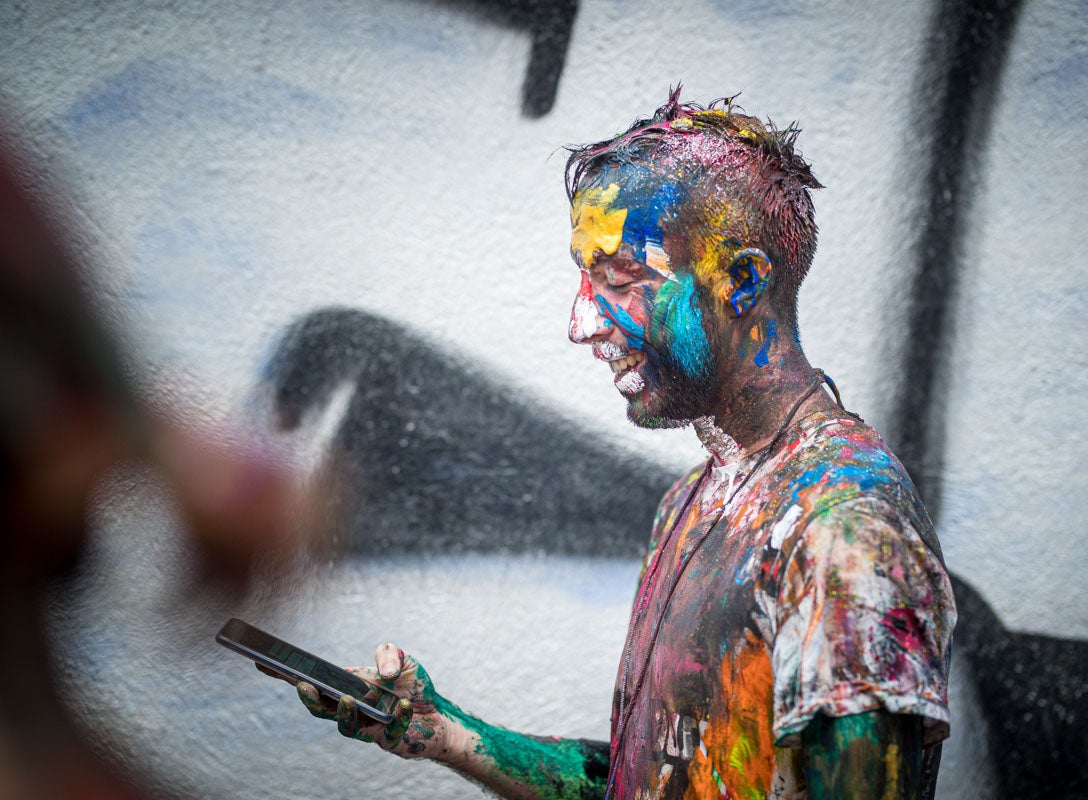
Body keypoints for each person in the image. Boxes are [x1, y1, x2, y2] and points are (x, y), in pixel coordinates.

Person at [282, 91, 956, 800]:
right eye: (584, 278)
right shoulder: (696, 500)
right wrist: (445, 732)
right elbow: (658, 784)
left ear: (744, 281)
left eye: (621, 280)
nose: (582, 323)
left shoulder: (843, 531)